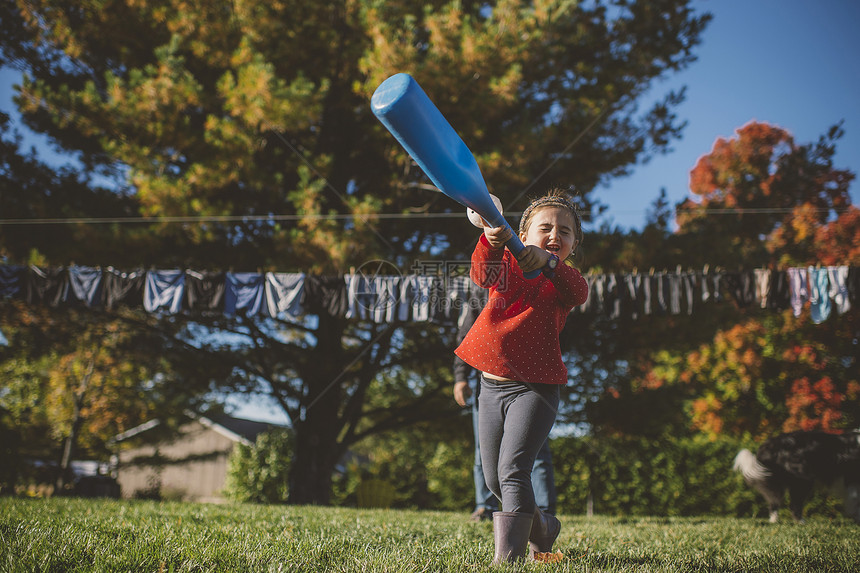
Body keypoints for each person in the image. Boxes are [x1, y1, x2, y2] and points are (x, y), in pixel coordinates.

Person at [455, 188, 588, 563]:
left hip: (536, 389)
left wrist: (548, 263)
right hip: (490, 386)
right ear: (524, 234)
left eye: (565, 231)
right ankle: (544, 527)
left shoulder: (565, 279)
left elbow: (578, 292)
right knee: (495, 480)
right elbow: (482, 275)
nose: (554, 235)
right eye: (544, 227)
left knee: (513, 470)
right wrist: (491, 239)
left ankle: (507, 561)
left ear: (573, 245)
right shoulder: (508, 267)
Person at [453, 293, 558, 523]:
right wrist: (461, 376)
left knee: (534, 453)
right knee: (486, 455)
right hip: (489, 384)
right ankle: (485, 506)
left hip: (533, 383)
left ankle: (545, 511)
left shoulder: (547, 283)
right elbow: (468, 332)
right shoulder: (485, 290)